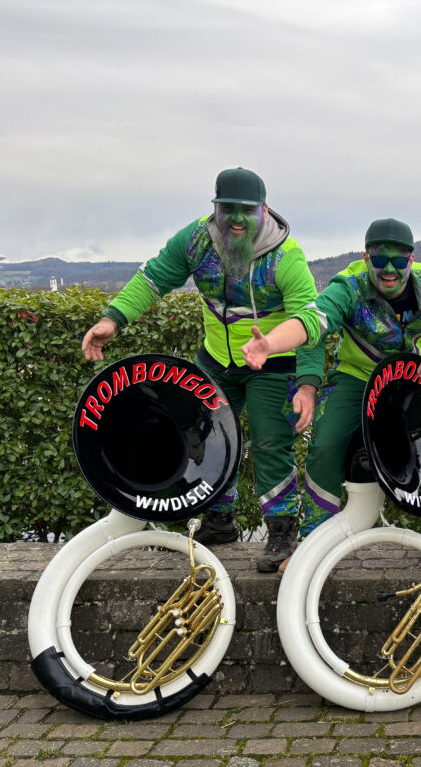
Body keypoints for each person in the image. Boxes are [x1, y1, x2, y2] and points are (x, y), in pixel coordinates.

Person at [81, 167, 323, 572]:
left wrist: (308, 384)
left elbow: (310, 322)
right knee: (204, 436)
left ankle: (282, 532)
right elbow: (154, 278)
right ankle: (219, 520)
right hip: (216, 360)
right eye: (228, 209)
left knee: (269, 441)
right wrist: (113, 319)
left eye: (247, 210)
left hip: (273, 364)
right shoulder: (195, 240)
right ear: (215, 209)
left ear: (264, 210)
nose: (237, 219)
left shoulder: (286, 256)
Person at [241, 217, 421, 567]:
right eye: (379, 259)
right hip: (358, 374)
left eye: (399, 260)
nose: (389, 270)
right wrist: (270, 344)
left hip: (413, 372)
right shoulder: (348, 287)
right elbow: (313, 321)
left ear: (411, 260)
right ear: (366, 258)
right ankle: (315, 539)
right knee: (326, 443)